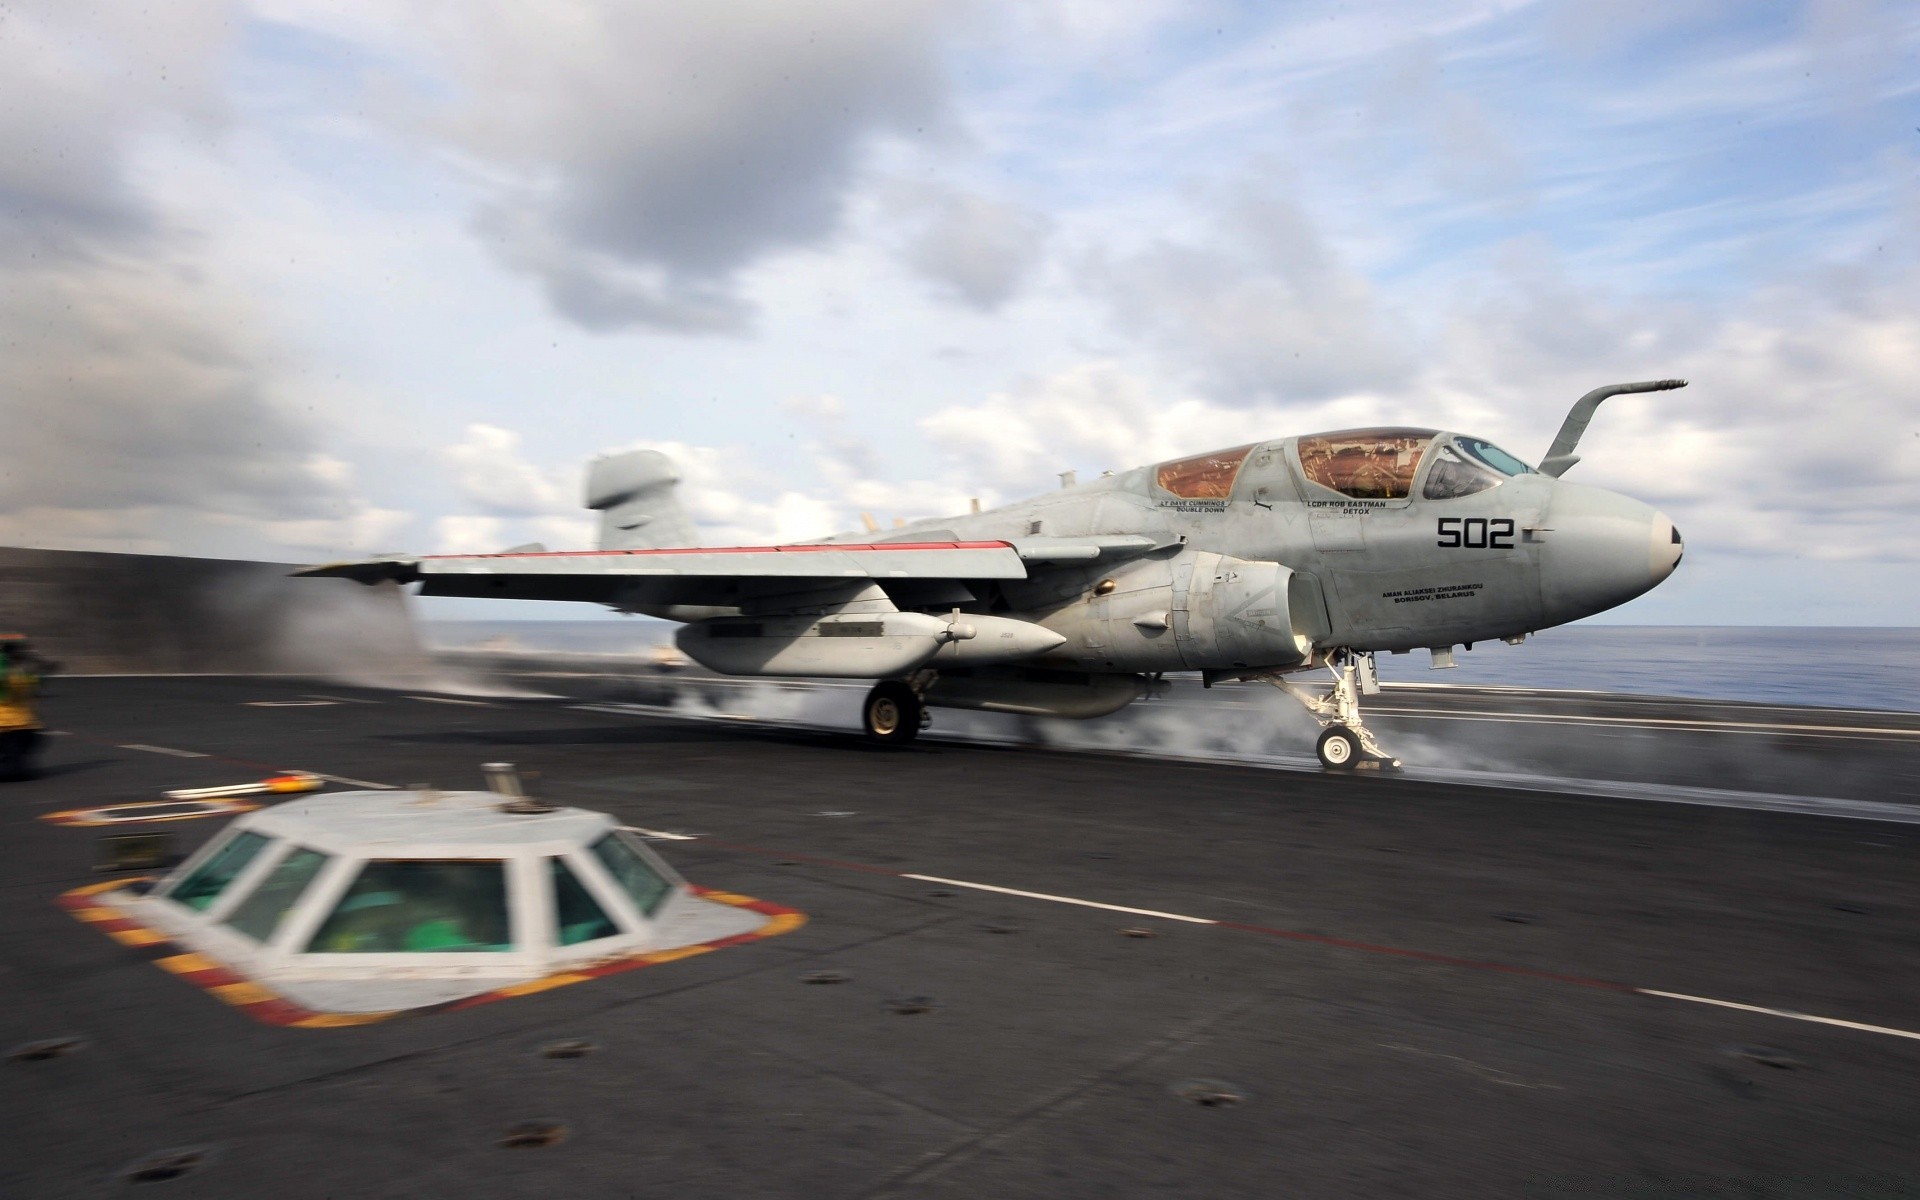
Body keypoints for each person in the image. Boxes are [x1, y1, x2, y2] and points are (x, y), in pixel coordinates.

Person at [0, 635, 45, 782]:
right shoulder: (13, 672)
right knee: (17, 767)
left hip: (21, 724)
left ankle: (14, 766)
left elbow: (37, 683)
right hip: (12, 724)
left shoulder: (19, 672)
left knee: (20, 756)